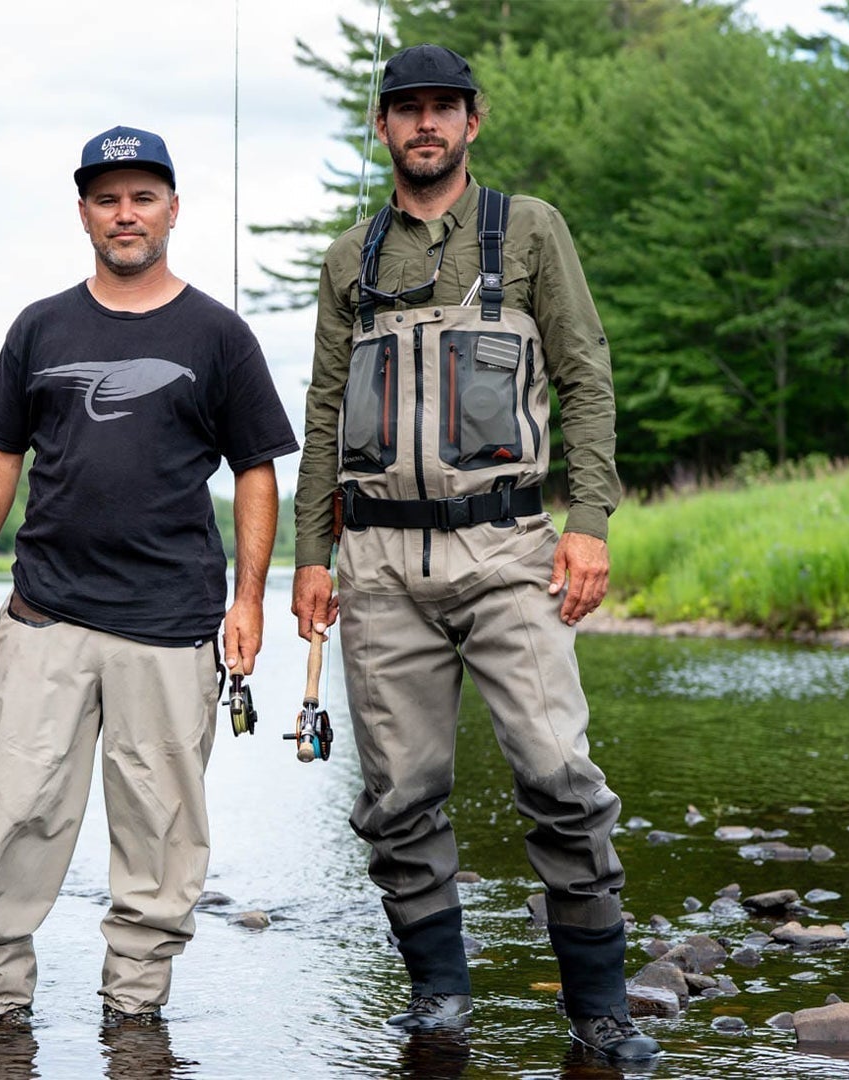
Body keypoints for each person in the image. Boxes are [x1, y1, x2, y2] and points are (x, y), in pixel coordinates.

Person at [290, 45, 660, 1062]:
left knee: (556, 772)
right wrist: (308, 552)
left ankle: (598, 1011)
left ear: (472, 121)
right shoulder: (346, 260)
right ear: (382, 128)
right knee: (400, 797)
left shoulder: (531, 229)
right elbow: (325, 410)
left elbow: (585, 377)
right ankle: (440, 1003)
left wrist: (590, 522)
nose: (425, 125)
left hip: (509, 549)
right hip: (374, 567)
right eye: (405, 110)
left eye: (442, 109)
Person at [0, 125, 297, 1029]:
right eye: (108, 199)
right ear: (84, 215)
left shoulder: (218, 333)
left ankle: (135, 1019)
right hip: (44, 618)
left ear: (173, 209)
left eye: (143, 197)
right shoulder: (41, 325)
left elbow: (255, 468)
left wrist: (249, 600)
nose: (125, 213)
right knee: (13, 813)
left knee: (160, 835)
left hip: (173, 627)